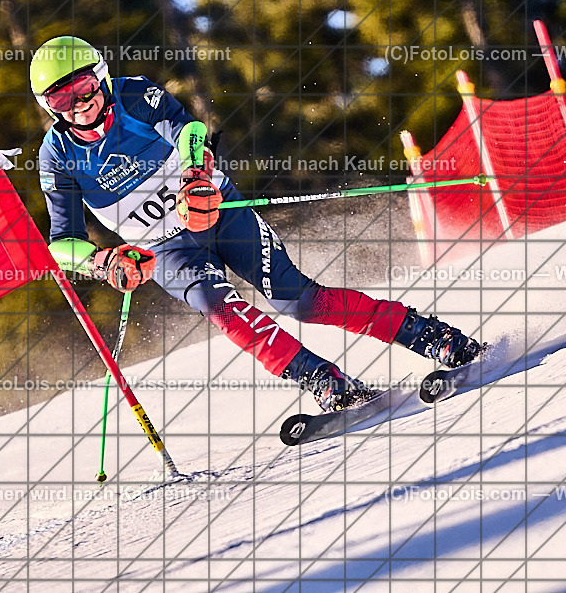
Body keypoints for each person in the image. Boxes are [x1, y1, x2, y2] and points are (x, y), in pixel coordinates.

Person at [31, 36, 482, 412]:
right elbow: (62, 242)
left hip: (217, 211)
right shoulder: (56, 155)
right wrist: (103, 261)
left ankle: (429, 335)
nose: (78, 106)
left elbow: (188, 130)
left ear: (102, 76)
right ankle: (324, 381)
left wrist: (194, 172)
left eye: (84, 88)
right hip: (167, 250)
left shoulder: (134, 96)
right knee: (219, 306)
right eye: (60, 99)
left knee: (301, 302)